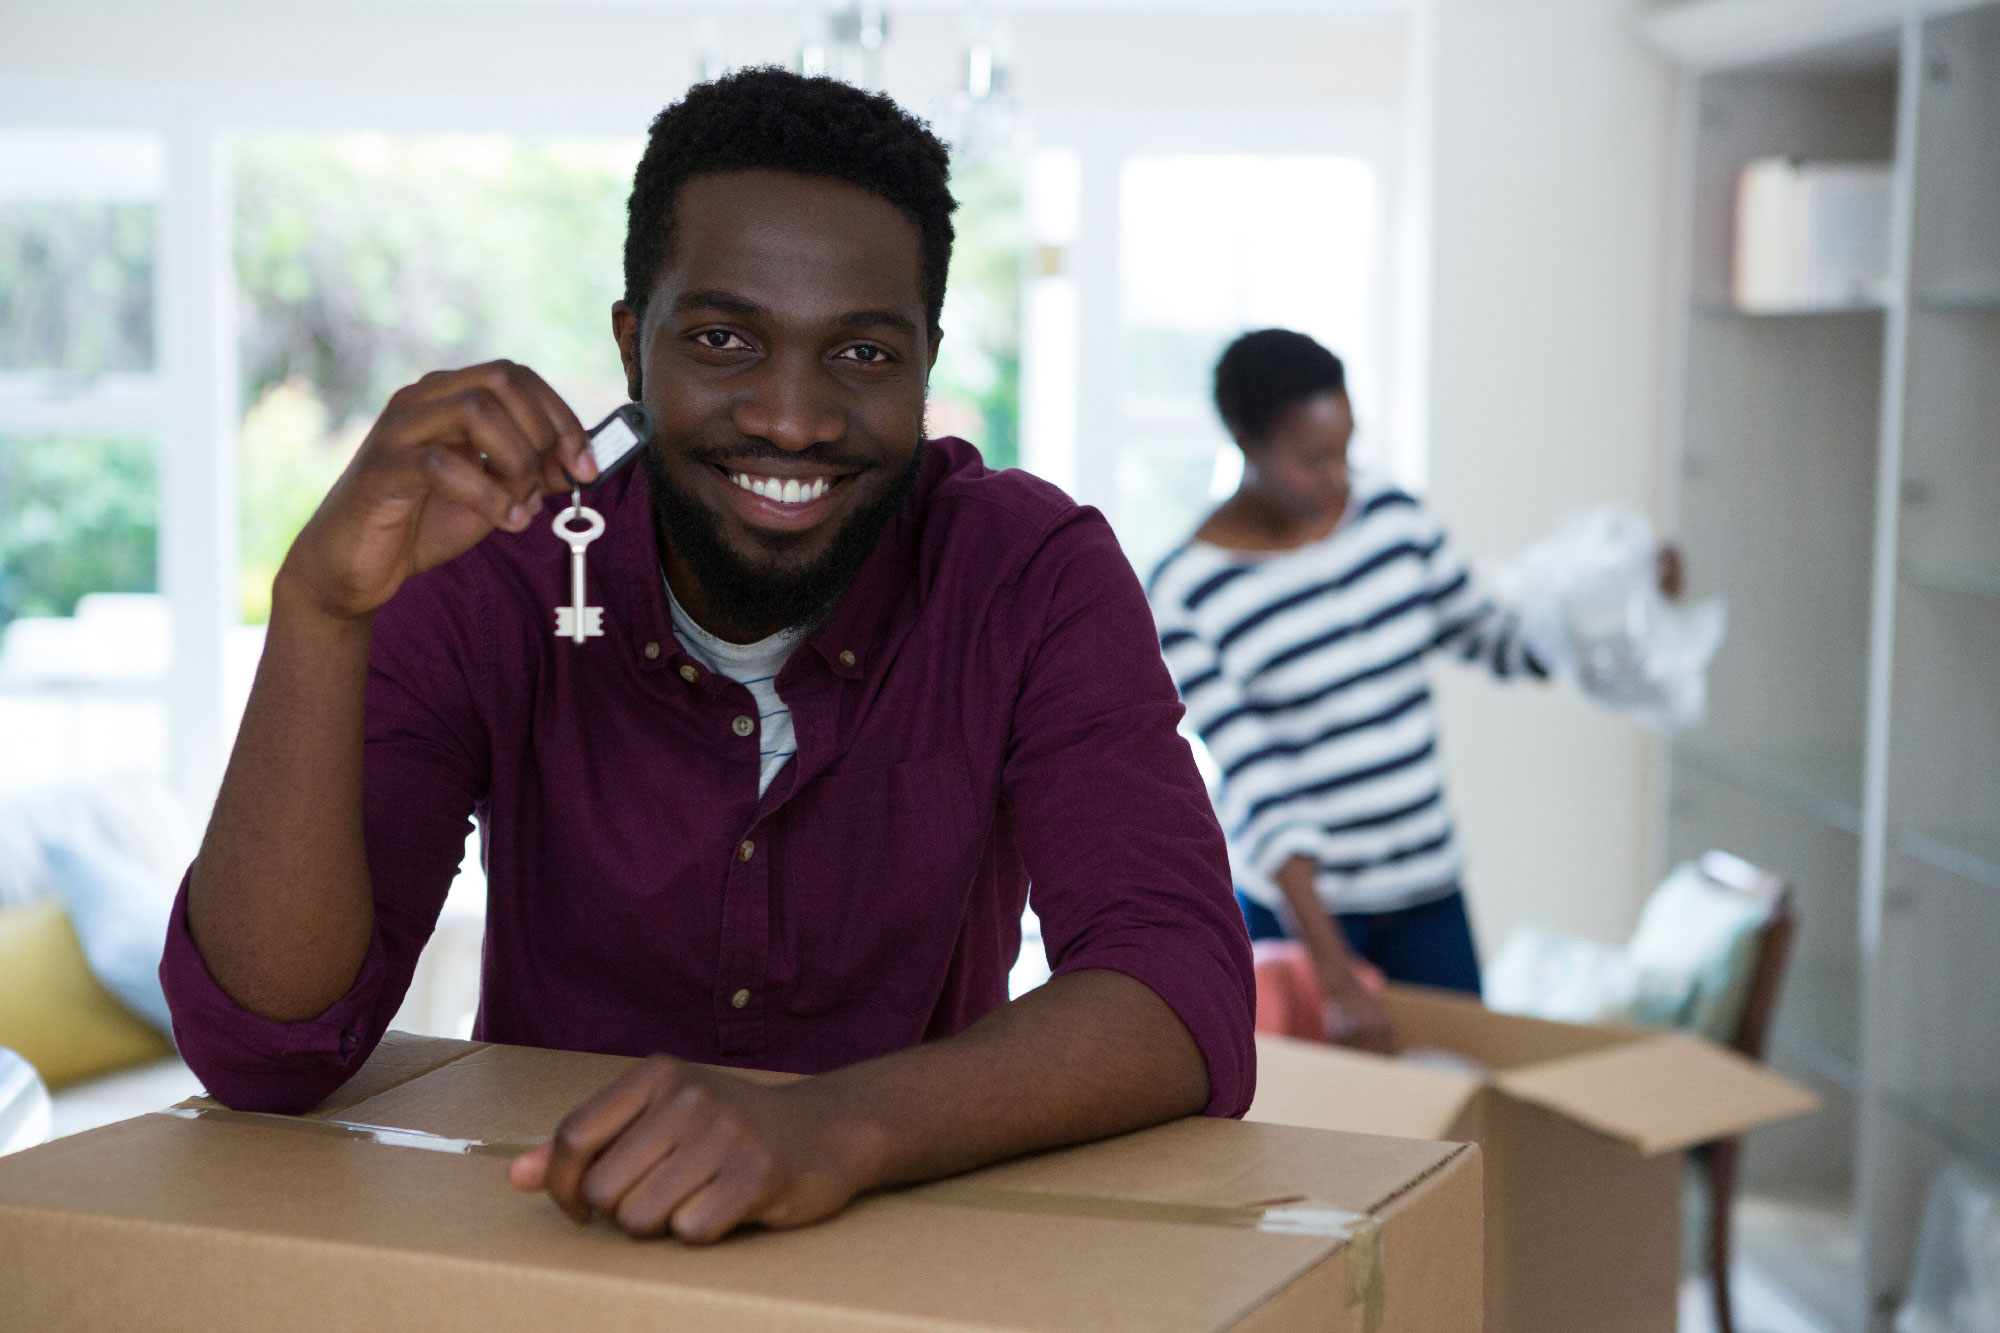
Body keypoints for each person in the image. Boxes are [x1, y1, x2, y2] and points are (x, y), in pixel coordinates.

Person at [164, 69, 1253, 1245]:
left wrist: (832, 1127)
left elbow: (1179, 987)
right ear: (634, 346)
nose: (793, 418)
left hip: (914, 1266)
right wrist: (321, 607)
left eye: (863, 354)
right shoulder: (497, 570)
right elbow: (265, 1049)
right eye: (724, 339)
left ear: (927, 363)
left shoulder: (1029, 572)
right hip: (550, 1258)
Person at [1148, 329, 1678, 1052]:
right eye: (1312, 459)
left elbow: (1500, 643)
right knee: (1313, 1133)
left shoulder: (1394, 522)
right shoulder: (1186, 594)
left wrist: (1612, 600)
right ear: (1245, 439)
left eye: (1345, 449)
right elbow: (1259, 791)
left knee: (1461, 1109)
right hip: (1303, 923)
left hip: (1429, 895)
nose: (1338, 477)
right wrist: (1335, 978)